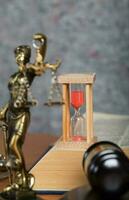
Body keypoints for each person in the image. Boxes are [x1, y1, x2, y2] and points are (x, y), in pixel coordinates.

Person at [0, 33, 61, 194]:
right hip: (11, 114)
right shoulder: (14, 76)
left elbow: (39, 63)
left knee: (14, 145)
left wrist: (42, 43)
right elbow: (12, 97)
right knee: (9, 148)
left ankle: (23, 178)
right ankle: (16, 184)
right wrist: (4, 111)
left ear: (26, 57)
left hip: (22, 115)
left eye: (22, 54)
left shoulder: (28, 72)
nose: (19, 57)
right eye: (17, 54)